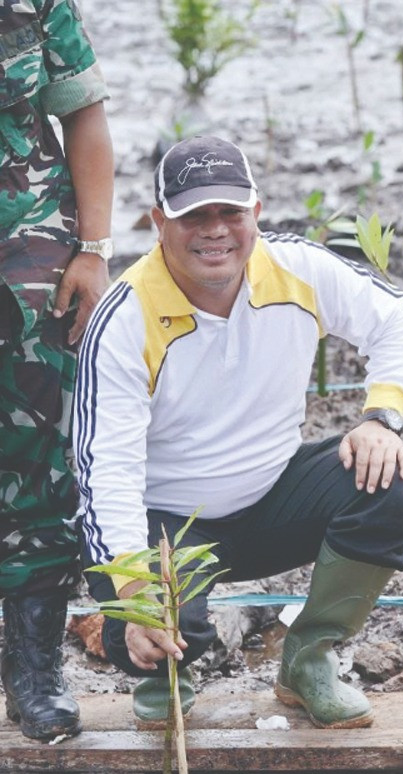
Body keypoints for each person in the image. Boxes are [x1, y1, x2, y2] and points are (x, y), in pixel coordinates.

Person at [74, 135, 403, 730]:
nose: (215, 231)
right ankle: (167, 673)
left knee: (389, 485)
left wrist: (381, 416)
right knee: (151, 628)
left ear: (255, 214)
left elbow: (397, 321)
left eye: (230, 212)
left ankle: (310, 658)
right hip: (167, 518)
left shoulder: (297, 268)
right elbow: (103, 470)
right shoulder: (125, 315)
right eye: (194, 215)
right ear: (160, 222)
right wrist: (136, 599)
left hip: (272, 495)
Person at [1, 0, 113, 741]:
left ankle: (34, 666)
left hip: (29, 247)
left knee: (40, 460)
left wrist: (95, 247)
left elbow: (84, 114)